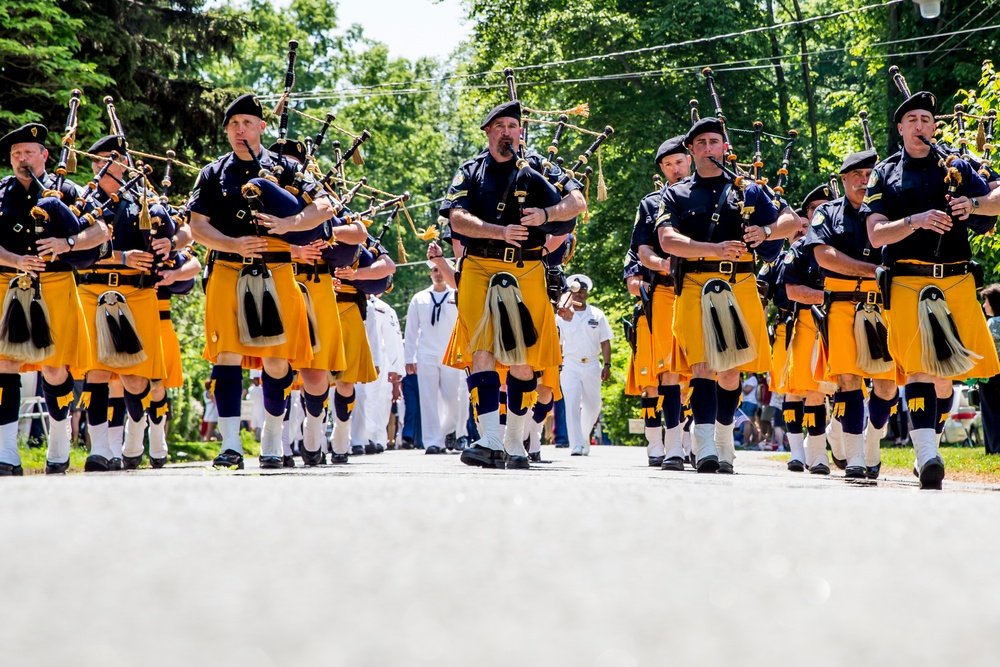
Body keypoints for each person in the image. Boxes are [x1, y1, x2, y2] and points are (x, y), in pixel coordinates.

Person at [188, 93, 333, 470]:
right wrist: (231, 242)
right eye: (233, 124)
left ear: (262, 127)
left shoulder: (286, 168)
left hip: (277, 268)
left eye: (247, 123)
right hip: (227, 267)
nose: (240, 129)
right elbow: (197, 226)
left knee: (277, 357)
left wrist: (289, 224)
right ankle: (231, 443)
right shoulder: (213, 172)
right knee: (226, 355)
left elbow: (323, 206)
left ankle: (272, 433)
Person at [865, 88, 1000, 489]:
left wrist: (973, 206)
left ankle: (930, 445)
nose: (921, 126)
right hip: (906, 277)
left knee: (948, 377)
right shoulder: (884, 173)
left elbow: (996, 195)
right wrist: (914, 221)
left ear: (934, 126)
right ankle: (926, 456)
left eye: (927, 120)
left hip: (955, 277)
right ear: (901, 129)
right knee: (921, 367)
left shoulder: (957, 165)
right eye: (913, 121)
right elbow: (875, 235)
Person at [441, 100, 586, 470]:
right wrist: (499, 231)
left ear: (521, 131)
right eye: (500, 125)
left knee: (524, 359)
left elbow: (578, 202)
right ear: (488, 132)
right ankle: (489, 438)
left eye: (513, 125)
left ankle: (514, 440)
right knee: (481, 348)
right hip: (479, 266)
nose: (508, 131)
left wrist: (547, 214)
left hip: (527, 268)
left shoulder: (540, 167)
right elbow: (457, 219)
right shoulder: (470, 170)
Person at [656, 117, 787, 473]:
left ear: (724, 146)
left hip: (740, 284)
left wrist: (765, 230)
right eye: (701, 144)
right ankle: (704, 445)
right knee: (701, 364)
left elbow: (791, 223)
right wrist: (712, 249)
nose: (708, 148)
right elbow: (667, 240)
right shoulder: (676, 193)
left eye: (715, 142)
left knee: (730, 372)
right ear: (692, 150)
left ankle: (725, 440)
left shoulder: (748, 189)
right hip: (696, 284)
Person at [0, 123, 109, 476]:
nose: (21, 159)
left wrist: (68, 244)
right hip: (8, 283)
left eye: (28, 152)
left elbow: (101, 231)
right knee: (5, 364)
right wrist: (16, 260)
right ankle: (6, 453)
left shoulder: (69, 190)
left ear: (45, 155)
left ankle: (60, 441)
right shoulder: (1, 192)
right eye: (16, 154)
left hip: (57, 284)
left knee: (54, 366)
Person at [76, 135, 174, 472]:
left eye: (112, 158)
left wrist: (166, 244)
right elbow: (77, 245)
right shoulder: (83, 200)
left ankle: (136, 432)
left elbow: (176, 236)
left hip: (137, 292)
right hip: (92, 290)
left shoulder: (143, 202)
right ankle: (102, 448)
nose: (104, 165)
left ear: (125, 163)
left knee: (134, 378)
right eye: (99, 159)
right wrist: (121, 255)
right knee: (97, 371)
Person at [804, 149, 898, 480]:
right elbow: (824, 256)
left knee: (887, 385)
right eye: (856, 175)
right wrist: (872, 270)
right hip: (843, 303)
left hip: (885, 306)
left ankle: (873, 440)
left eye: (869, 173)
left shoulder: (890, 210)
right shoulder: (827, 213)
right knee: (849, 379)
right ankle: (856, 455)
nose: (863, 179)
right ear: (843, 179)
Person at [625, 136, 691, 470]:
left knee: (700, 371)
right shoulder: (651, 205)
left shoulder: (712, 195)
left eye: (679, 162)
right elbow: (640, 254)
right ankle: (669, 445)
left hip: (705, 290)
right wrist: (661, 266)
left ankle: (704, 441)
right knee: (667, 373)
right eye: (668, 165)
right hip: (664, 293)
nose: (675, 170)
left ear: (690, 159)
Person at [404, 259, 465, 455]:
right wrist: (409, 357)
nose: (438, 274)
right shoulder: (419, 298)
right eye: (435, 270)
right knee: (428, 399)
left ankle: (447, 431)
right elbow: (411, 330)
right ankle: (433, 442)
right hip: (426, 353)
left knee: (453, 400)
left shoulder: (457, 295)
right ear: (430, 274)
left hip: (451, 354)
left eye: (441, 270)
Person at [556, 274, 613, 455]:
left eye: (582, 291)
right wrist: (556, 365)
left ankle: (583, 435)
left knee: (593, 405)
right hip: (570, 364)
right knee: (571, 404)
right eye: (575, 291)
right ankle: (577, 445)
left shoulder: (597, 314)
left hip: (592, 364)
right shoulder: (561, 316)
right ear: (570, 293)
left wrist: (607, 364)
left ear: (587, 293)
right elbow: (557, 343)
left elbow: (605, 341)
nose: (579, 294)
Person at [978, 284, 1000, 454]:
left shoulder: (992, 323)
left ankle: (994, 448)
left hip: (992, 374)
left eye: (986, 301)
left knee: (990, 412)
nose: (984, 305)